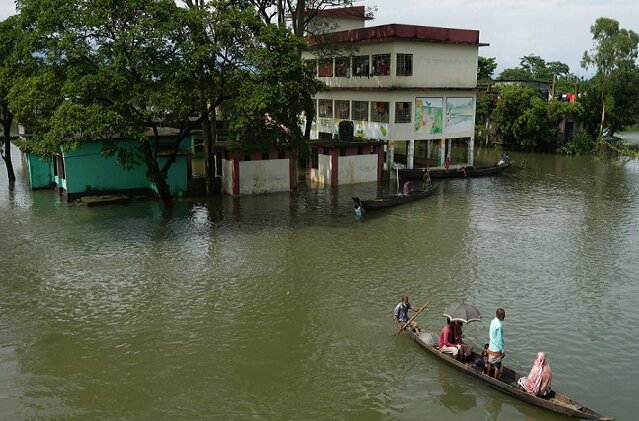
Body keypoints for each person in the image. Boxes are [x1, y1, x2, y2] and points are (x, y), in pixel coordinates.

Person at [486, 308, 505, 379]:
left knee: (490, 363)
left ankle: (487, 376)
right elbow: (499, 340)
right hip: (497, 349)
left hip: (491, 347)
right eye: (504, 315)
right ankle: (495, 380)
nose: (504, 317)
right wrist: (502, 351)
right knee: (498, 365)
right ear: (501, 315)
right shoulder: (499, 326)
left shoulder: (492, 321)